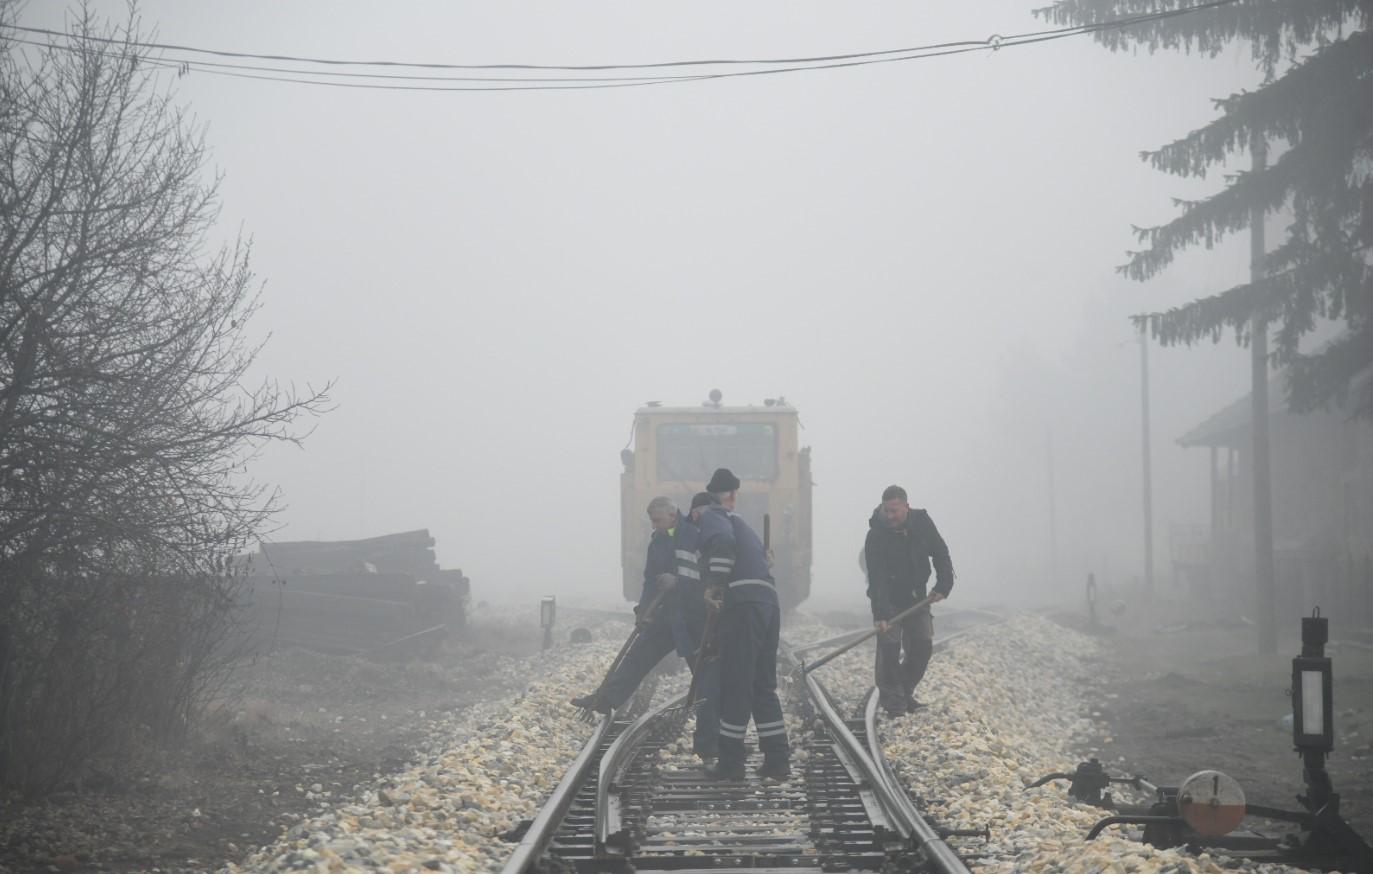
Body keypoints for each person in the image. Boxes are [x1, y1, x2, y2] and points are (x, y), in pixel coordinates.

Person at [570, 496, 718, 757]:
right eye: (652, 520)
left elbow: (705, 576)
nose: (654, 524)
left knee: (704, 674)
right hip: (666, 614)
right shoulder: (658, 541)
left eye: (658, 519)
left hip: (693, 618)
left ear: (673, 515)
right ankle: (605, 699)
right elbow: (651, 579)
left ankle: (714, 734)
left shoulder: (694, 534)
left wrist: (679, 582)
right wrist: (643, 609)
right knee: (638, 655)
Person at [697, 468, 790, 781]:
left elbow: (722, 545)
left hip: (744, 606)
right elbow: (756, 560)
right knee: (762, 685)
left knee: (736, 684)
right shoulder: (742, 524)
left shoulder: (713, 514)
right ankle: (778, 761)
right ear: (734, 493)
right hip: (768, 603)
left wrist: (715, 585)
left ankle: (731, 763)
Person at [863, 484, 954, 717]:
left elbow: (940, 552)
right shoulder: (876, 535)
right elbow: (877, 578)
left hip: (917, 598)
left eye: (895, 511)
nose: (890, 516)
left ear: (906, 506)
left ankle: (903, 691)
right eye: (887, 511)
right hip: (888, 599)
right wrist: (881, 615)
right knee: (889, 652)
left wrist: (944, 585)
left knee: (922, 647)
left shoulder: (921, 523)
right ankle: (894, 704)